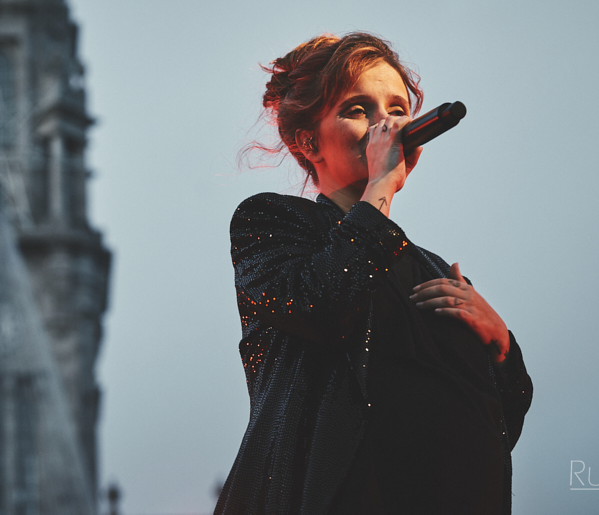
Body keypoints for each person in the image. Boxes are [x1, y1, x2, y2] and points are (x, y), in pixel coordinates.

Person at [215, 33, 533, 515]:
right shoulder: (273, 223)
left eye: (397, 109)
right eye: (359, 109)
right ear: (307, 141)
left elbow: (495, 423)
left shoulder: (431, 268)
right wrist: (381, 183)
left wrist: (503, 347)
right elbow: (322, 305)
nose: (387, 124)